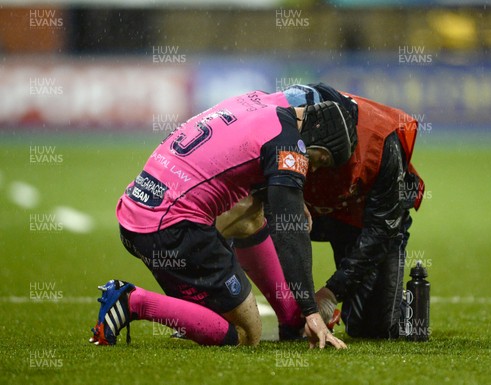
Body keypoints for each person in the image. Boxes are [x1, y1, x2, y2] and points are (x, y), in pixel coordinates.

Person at [88, 89, 356, 349]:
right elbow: (291, 232)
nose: (313, 169)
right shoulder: (290, 147)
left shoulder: (260, 100)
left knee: (249, 216)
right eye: (318, 160)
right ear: (314, 141)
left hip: (139, 209)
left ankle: (290, 318)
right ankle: (133, 302)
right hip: (169, 230)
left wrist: (290, 195)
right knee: (246, 334)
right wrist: (310, 310)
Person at [221, 83, 424, 339]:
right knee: (239, 211)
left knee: (374, 328)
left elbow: (382, 228)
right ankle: (215, 302)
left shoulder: (383, 140)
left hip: (361, 219)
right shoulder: (271, 125)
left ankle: (396, 306)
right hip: (308, 209)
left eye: (323, 162)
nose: (314, 171)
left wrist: (330, 294)